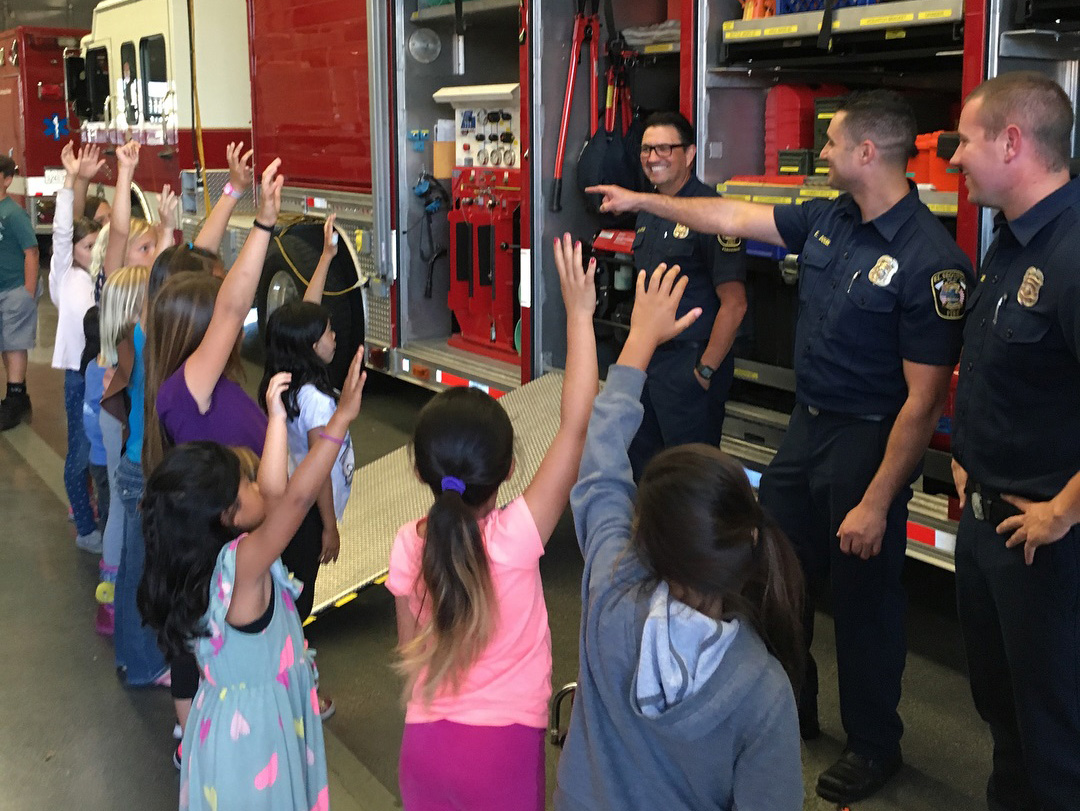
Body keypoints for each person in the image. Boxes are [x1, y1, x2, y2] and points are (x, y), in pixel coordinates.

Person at [588, 89, 974, 803]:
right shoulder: (830, 218)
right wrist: (644, 201)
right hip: (808, 429)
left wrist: (877, 501)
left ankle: (873, 744)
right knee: (774, 576)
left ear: (867, 153)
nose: (821, 153)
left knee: (864, 603)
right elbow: (731, 216)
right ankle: (793, 702)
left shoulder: (931, 261)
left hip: (869, 441)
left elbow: (922, 403)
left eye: (833, 143)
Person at [554, 252, 804, 811]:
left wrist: (638, 341)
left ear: (648, 543)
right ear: (747, 540)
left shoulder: (611, 593)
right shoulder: (763, 692)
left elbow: (600, 466)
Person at [386, 233, 598, 811]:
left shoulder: (408, 544)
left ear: (420, 469)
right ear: (507, 470)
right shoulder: (517, 538)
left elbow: (410, 651)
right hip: (502, 752)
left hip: (423, 748)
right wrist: (579, 315)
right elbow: (576, 427)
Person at [138, 349, 365, 811]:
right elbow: (292, 501)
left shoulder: (203, 566)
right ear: (227, 515)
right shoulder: (241, 566)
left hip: (226, 731)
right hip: (256, 742)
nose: (258, 483)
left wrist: (276, 418)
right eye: (247, 482)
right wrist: (339, 421)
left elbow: (276, 495)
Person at [948, 71, 1080, 811]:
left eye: (965, 141)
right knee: (1004, 715)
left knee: (1055, 735)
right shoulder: (1009, 239)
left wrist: (1063, 511)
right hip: (988, 523)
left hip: (1047, 545)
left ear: (1012, 142)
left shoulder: (1073, 252)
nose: (953, 157)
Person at [143, 158, 282, 761]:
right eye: (220, 314)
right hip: (230, 546)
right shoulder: (187, 391)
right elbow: (230, 307)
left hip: (244, 537)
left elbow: (204, 271)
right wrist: (264, 224)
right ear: (200, 330)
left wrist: (233, 194)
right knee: (207, 648)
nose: (234, 317)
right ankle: (203, 746)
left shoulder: (200, 385)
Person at [628, 111, 747, 477]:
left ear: (690, 154)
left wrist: (704, 370)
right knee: (644, 470)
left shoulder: (713, 213)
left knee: (690, 477)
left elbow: (735, 305)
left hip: (689, 363)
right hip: (647, 362)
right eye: (647, 149)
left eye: (664, 148)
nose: (653, 157)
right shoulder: (648, 209)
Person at [258, 215, 351, 623]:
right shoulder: (315, 401)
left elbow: (305, 313)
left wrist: (326, 256)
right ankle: (290, 653)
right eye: (328, 332)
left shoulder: (288, 376)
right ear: (312, 346)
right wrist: (329, 526)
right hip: (310, 513)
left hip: (295, 507)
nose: (335, 336)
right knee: (300, 598)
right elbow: (320, 469)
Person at [50, 143, 105, 551]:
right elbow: (64, 229)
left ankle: (88, 507)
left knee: (95, 451)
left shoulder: (98, 279)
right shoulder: (64, 275)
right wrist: (72, 179)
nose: (93, 251)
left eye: (96, 245)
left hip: (101, 374)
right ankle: (86, 530)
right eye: (87, 246)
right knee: (79, 453)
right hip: (77, 377)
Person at [0, 155, 41, 430]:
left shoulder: (13, 213)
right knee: (6, 343)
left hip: (16, 289)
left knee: (14, 344)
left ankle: (14, 400)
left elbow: (32, 252)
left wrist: (28, 291)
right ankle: (18, 395)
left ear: (7, 180)